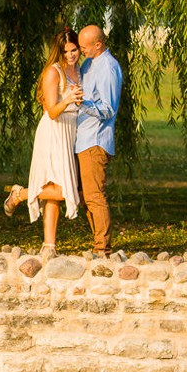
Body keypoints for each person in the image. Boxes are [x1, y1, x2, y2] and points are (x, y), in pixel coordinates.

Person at [2, 27, 84, 253]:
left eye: (74, 50)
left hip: (71, 132)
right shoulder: (53, 72)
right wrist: (67, 99)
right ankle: (21, 194)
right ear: (59, 52)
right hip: (55, 132)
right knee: (62, 190)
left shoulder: (80, 69)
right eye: (66, 51)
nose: (71, 55)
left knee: (54, 189)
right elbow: (52, 111)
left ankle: (49, 245)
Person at [74, 24, 122, 256]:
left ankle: (103, 248)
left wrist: (81, 104)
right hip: (82, 138)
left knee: (94, 195)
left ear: (98, 45)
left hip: (95, 140)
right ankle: (98, 243)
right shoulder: (89, 63)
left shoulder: (108, 68)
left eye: (84, 47)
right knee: (84, 196)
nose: (81, 50)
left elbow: (108, 108)